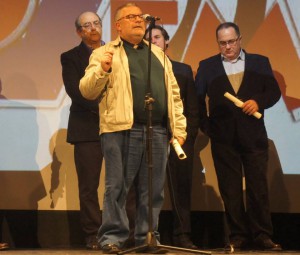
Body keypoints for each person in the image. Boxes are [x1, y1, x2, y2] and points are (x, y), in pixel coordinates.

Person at [79, 3, 187, 254]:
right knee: (117, 186)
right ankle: (112, 238)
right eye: (131, 17)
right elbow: (87, 89)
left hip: (158, 129)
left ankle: (147, 237)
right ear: (118, 25)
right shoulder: (105, 53)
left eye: (140, 17)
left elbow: (173, 93)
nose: (138, 21)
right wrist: (103, 71)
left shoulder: (158, 54)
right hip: (120, 128)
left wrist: (178, 127)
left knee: (153, 188)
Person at [195, 22, 282, 251]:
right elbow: (196, 100)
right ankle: (238, 236)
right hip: (223, 139)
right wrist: (207, 127)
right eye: (222, 43)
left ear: (240, 39)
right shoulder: (207, 66)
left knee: (258, 189)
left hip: (253, 137)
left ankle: (262, 235)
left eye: (231, 41)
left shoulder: (259, 62)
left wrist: (258, 102)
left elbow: (273, 91)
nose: (228, 47)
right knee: (230, 190)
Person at [144, 25, 199, 249]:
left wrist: (187, 137)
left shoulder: (183, 70)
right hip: (150, 139)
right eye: (148, 40)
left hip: (179, 141)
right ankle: (148, 236)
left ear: (166, 41)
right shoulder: (141, 72)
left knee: (181, 189)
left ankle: (182, 235)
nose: (153, 42)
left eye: (157, 37)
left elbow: (193, 110)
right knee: (147, 191)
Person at [60, 11, 104, 250]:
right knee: (89, 186)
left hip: (119, 126)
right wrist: (105, 108)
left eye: (96, 23)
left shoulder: (117, 52)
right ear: (79, 32)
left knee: (123, 184)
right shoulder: (70, 57)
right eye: (87, 26)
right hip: (87, 127)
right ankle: (93, 234)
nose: (93, 28)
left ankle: (123, 231)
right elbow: (75, 91)